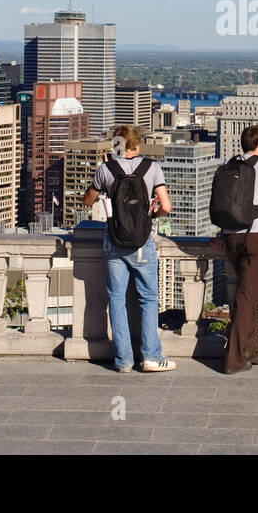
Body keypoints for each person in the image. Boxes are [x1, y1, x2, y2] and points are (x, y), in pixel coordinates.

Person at [82, 125, 176, 373]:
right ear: (138, 145)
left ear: (118, 146)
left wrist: (103, 174)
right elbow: (166, 206)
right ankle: (150, 357)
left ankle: (123, 360)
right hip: (142, 241)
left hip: (114, 241)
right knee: (148, 298)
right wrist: (153, 212)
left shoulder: (107, 169)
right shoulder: (152, 168)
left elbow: (87, 200)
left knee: (116, 299)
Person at [208, 125, 258, 374]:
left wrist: (222, 232)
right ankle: (234, 358)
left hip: (231, 237)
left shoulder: (230, 163)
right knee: (248, 297)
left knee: (248, 293)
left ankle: (252, 348)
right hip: (254, 236)